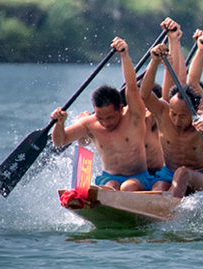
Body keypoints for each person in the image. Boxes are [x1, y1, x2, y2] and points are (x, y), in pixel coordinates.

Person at [50, 37, 154, 191]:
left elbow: (131, 86)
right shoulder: (89, 123)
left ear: (120, 108)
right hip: (108, 178)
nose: (105, 123)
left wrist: (124, 55)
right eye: (100, 118)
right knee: (110, 187)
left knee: (127, 187)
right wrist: (59, 124)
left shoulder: (133, 116)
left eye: (110, 117)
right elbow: (60, 141)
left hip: (138, 178)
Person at [141, 44, 203, 198]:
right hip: (168, 173)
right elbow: (145, 95)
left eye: (182, 116)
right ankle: (161, 204)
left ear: (193, 112)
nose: (176, 119)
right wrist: (154, 62)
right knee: (157, 189)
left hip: (201, 176)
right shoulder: (162, 112)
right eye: (173, 113)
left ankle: (168, 207)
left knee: (182, 173)